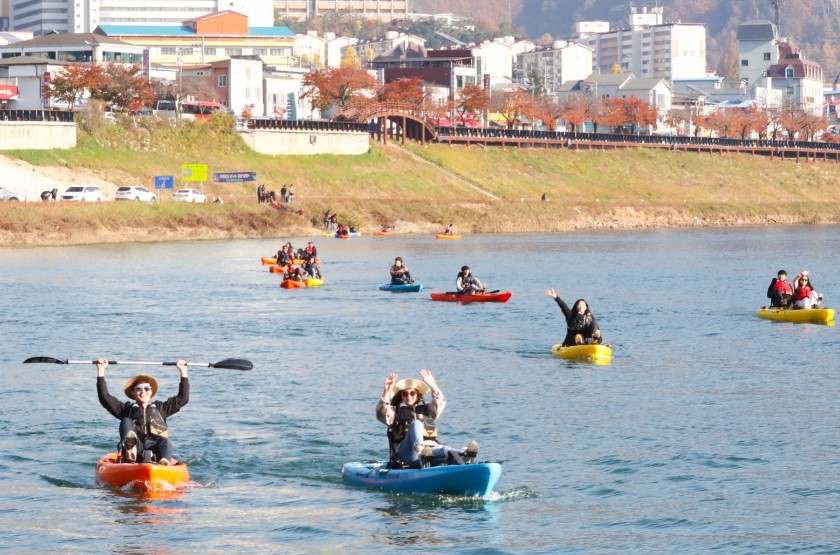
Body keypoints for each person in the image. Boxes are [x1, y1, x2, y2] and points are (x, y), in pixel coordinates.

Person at [375, 369, 479, 469]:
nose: (409, 396)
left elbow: (440, 402)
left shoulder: (427, 409)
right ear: (401, 396)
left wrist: (433, 385)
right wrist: (386, 391)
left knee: (445, 450)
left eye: (412, 393)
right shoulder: (395, 412)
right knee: (416, 424)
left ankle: (465, 455)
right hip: (406, 455)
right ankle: (421, 454)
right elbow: (380, 413)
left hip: (429, 452)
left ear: (417, 394)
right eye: (405, 394)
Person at [96, 358, 189, 465]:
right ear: (133, 392)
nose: (143, 391)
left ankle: (164, 461)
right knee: (126, 420)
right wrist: (101, 371)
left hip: (156, 449)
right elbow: (104, 398)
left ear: (151, 391)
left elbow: (183, 398)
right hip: (136, 448)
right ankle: (130, 450)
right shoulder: (126, 409)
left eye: (146, 388)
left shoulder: (162, 408)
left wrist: (183, 371)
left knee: (165, 441)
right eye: (138, 388)